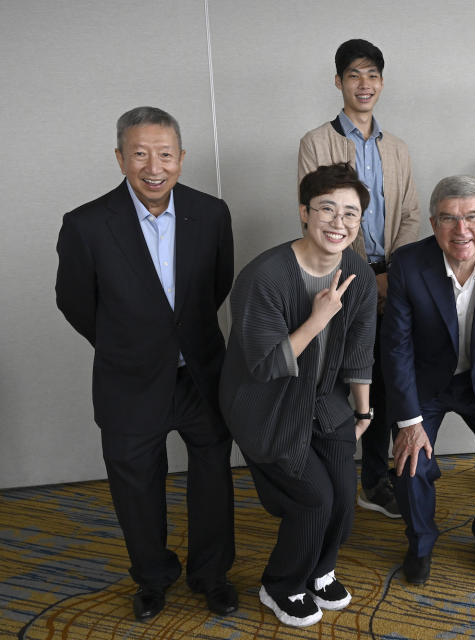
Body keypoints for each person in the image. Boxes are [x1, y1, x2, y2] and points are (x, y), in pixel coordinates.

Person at [55, 106, 237, 620]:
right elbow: (74, 302)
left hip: (201, 373)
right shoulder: (86, 225)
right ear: (120, 158)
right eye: (139, 154)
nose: (153, 166)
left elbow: (215, 287)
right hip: (129, 379)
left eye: (164, 154)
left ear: (181, 158)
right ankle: (153, 578)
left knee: (212, 478)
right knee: (135, 486)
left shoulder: (212, 213)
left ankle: (211, 575)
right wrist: (127, 343)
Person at [219, 163, 377, 627]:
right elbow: (266, 365)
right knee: (314, 500)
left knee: (345, 495)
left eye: (351, 213)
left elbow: (360, 350)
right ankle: (281, 584)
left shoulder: (359, 274)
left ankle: (321, 567)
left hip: (322, 395)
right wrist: (317, 318)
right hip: (264, 402)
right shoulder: (263, 276)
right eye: (327, 209)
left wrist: (363, 411)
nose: (339, 222)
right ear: (305, 212)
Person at [381, 176, 475, 585]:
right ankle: (420, 544)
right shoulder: (409, 263)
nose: (461, 230)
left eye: (471, 217)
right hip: (425, 380)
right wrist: (409, 423)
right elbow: (395, 346)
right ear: (433, 223)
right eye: (449, 218)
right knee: (410, 464)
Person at [299, 38, 421, 519]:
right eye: (354, 75)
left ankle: (376, 477)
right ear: (338, 82)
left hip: (393, 278)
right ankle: (333, 475)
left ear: (382, 83)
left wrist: (392, 274)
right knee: (340, 374)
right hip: (340, 277)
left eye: (372, 75)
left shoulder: (398, 148)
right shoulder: (316, 142)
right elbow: (317, 217)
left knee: (386, 377)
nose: (364, 84)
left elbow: (410, 214)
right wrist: (360, 278)